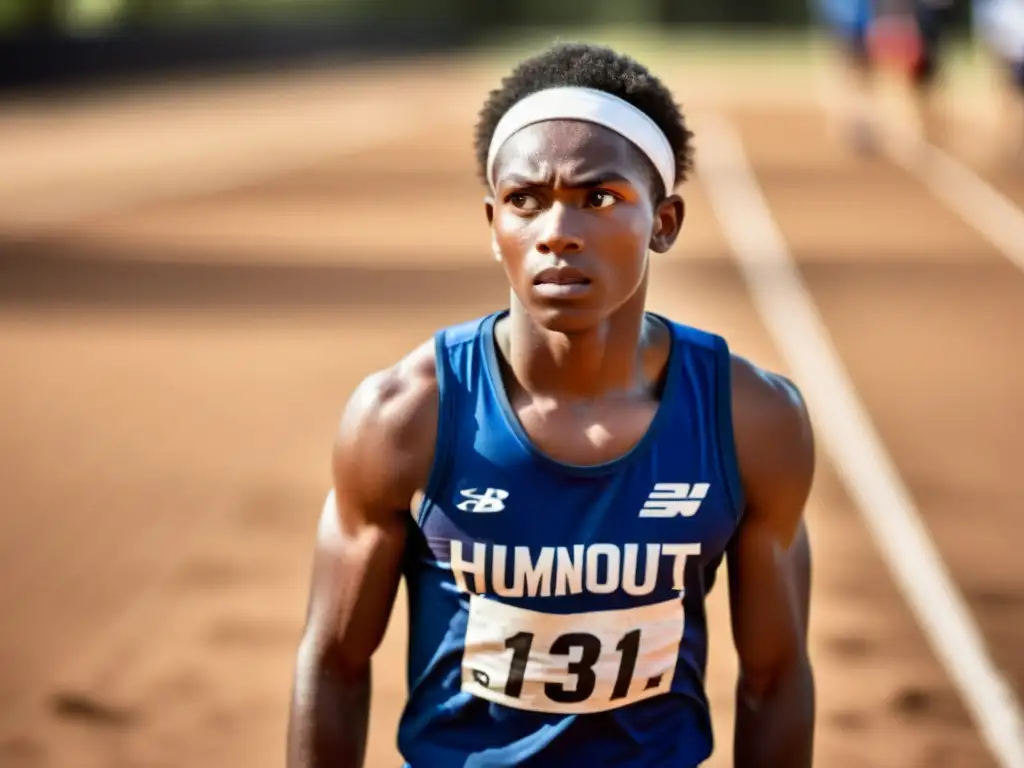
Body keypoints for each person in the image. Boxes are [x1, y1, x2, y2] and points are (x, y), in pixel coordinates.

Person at [286, 42, 816, 768]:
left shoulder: (752, 420)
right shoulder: (406, 415)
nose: (556, 232)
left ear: (664, 222)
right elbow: (334, 665)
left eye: (599, 198)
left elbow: (775, 677)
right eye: (525, 201)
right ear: (493, 222)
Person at [815, 0, 954, 150]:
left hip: (861, 27)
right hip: (847, 28)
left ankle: (863, 124)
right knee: (854, 77)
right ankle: (857, 124)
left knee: (863, 77)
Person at [972, 0, 1024, 161]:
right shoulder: (1003, 8)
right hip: (1014, 61)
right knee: (1014, 100)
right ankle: (1014, 138)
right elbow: (995, 40)